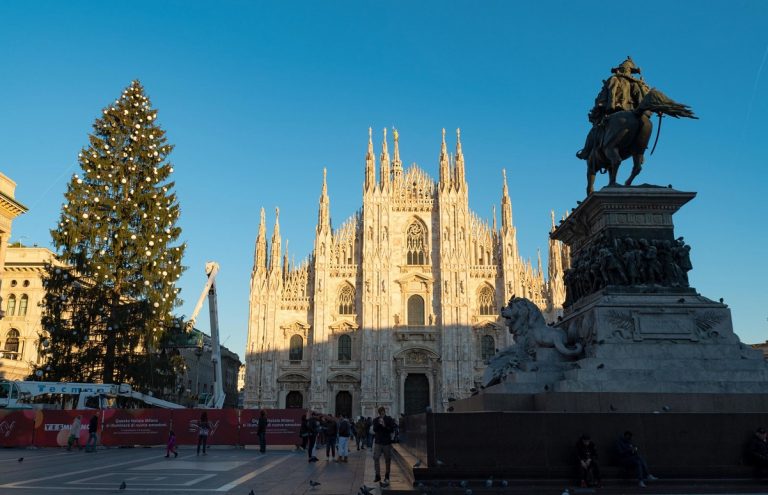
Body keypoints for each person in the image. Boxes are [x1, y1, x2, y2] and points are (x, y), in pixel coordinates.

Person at [577, 57, 651, 160]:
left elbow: (602, 98)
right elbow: (641, 99)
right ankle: (639, 150)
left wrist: (600, 107)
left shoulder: (612, 79)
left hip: (612, 112)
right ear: (631, 71)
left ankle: (585, 152)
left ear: (619, 69)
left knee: (594, 131)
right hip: (631, 112)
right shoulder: (635, 83)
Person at [373, 406, 395, 486]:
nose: (381, 414)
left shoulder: (389, 419)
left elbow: (392, 429)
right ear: (379, 413)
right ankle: (377, 475)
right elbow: (375, 429)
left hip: (386, 442)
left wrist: (384, 425)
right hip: (378, 442)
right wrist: (379, 424)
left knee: (387, 459)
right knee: (376, 457)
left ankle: (387, 475)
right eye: (380, 413)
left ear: (384, 412)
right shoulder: (375, 420)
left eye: (382, 412)